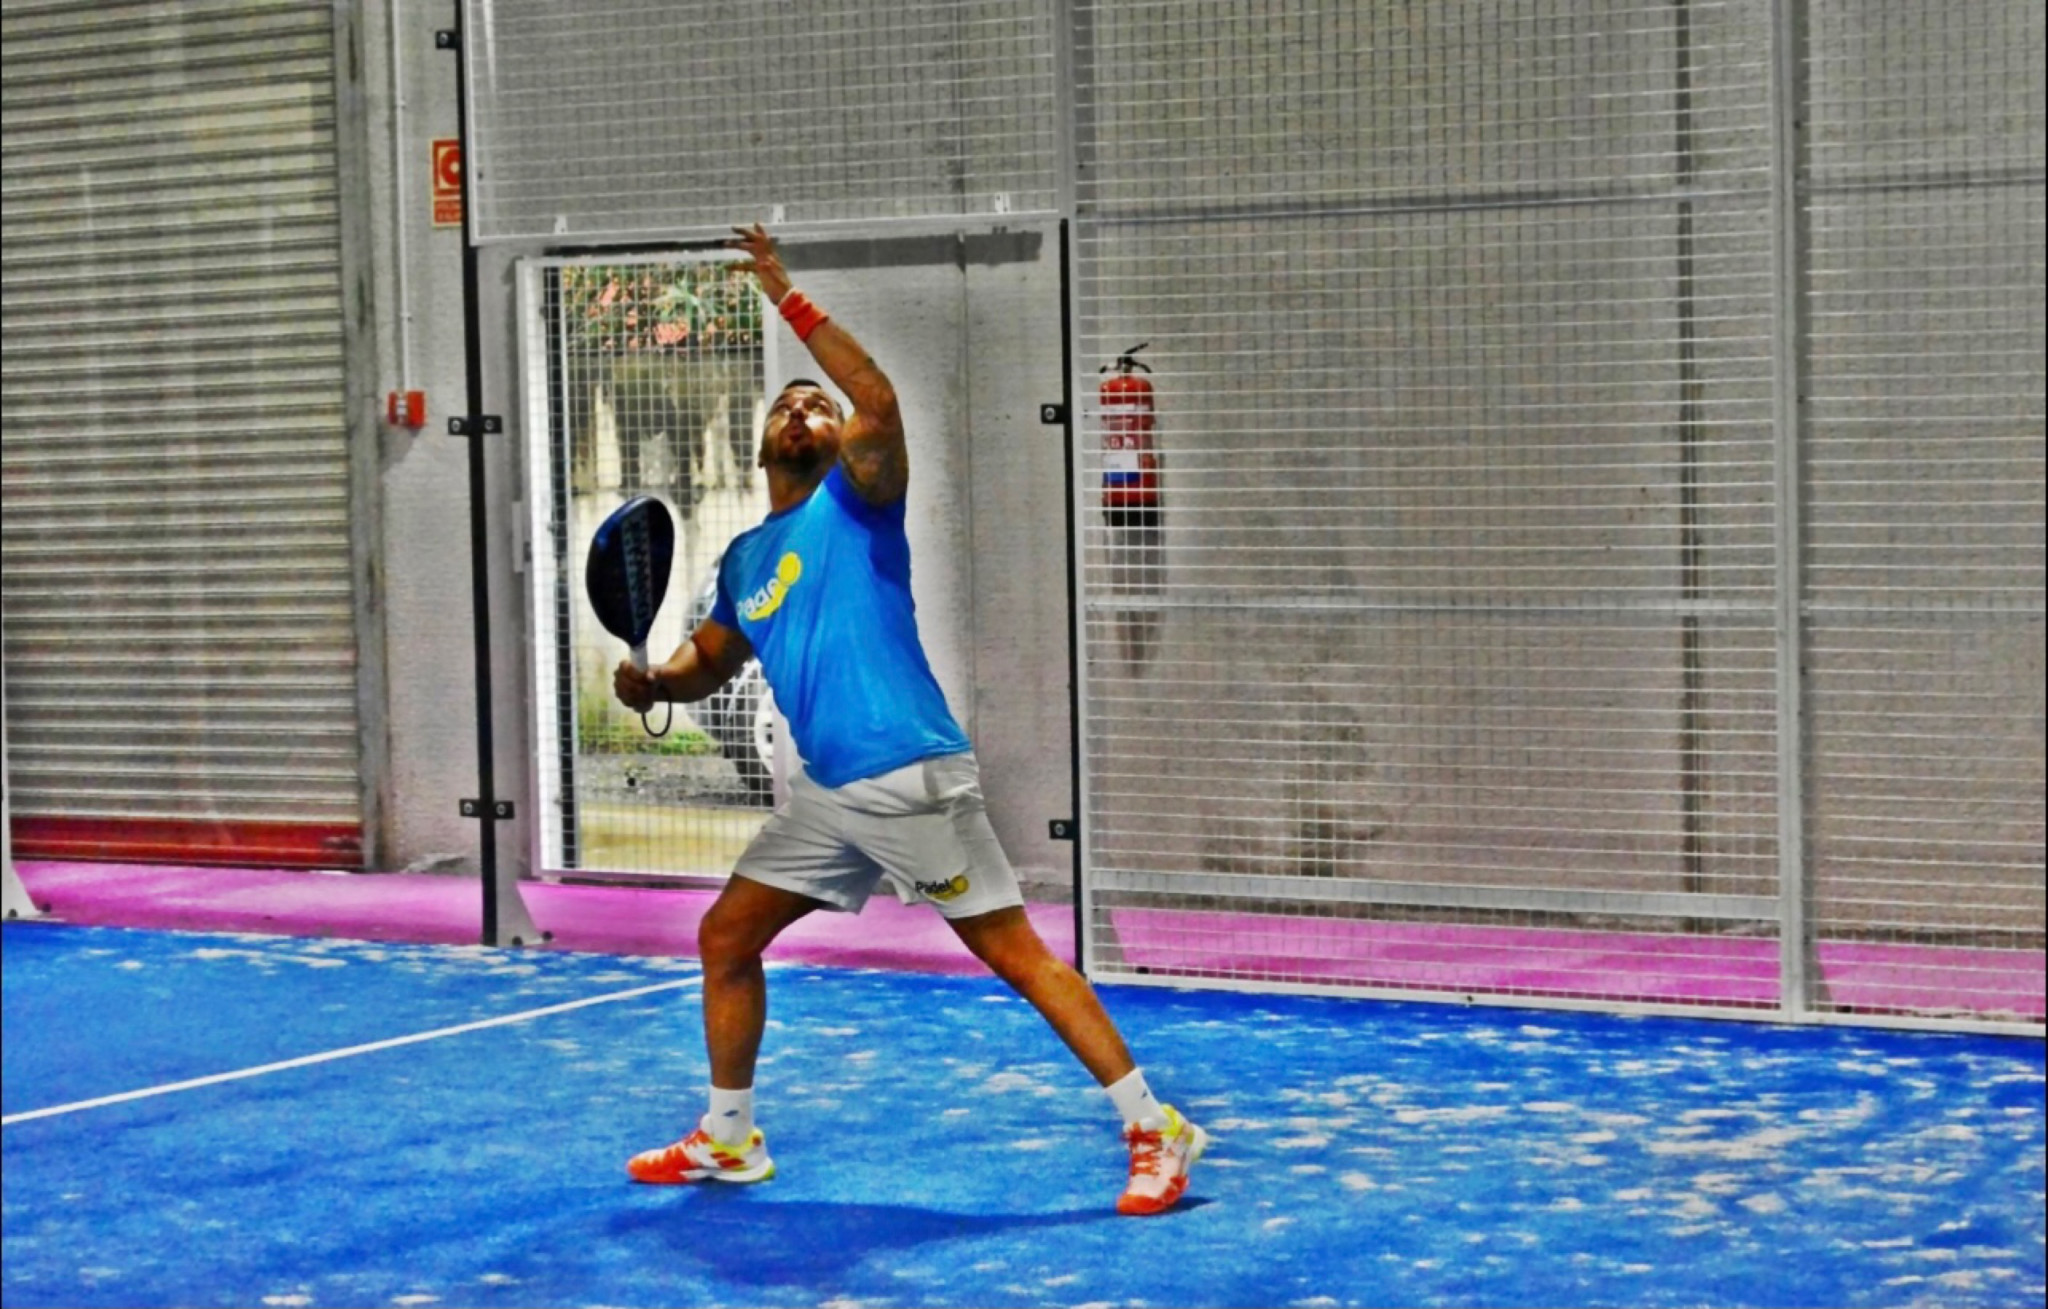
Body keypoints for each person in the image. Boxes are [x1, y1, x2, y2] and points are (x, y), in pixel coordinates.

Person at [612, 224, 1208, 1217]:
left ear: (840, 438)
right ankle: (729, 1135)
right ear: (760, 444)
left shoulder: (858, 502)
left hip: (908, 774)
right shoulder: (747, 560)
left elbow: (879, 403)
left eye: (818, 402)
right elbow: (708, 660)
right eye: (787, 403)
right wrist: (651, 685)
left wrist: (786, 295)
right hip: (830, 795)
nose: (804, 408)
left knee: (1012, 952)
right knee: (726, 935)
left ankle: (1157, 1127)